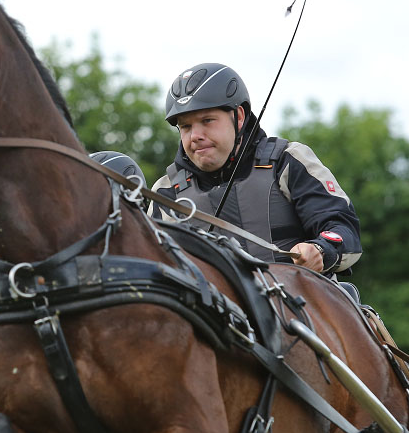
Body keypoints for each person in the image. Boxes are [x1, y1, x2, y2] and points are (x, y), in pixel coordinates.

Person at [148, 63, 361, 276]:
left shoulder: (288, 160)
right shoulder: (165, 192)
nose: (195, 135)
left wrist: (320, 250)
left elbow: (343, 228)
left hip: (300, 301)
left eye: (207, 120)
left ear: (239, 116)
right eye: (185, 126)